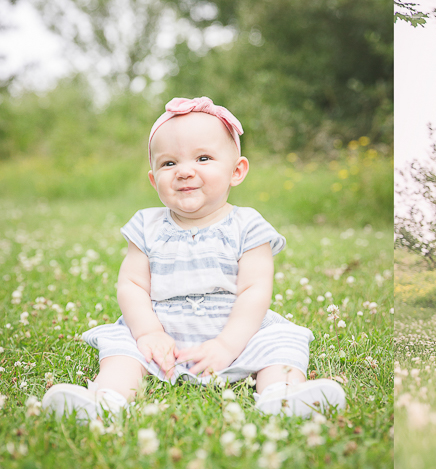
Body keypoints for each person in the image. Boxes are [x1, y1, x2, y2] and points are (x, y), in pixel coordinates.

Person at [43, 97, 346, 421]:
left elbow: (254, 291)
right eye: (169, 164)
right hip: (163, 331)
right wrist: (148, 333)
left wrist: (228, 345)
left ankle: (282, 395)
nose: (185, 172)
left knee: (282, 340)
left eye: (203, 158)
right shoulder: (146, 225)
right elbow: (131, 284)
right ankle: (107, 400)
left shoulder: (249, 225)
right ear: (153, 178)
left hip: (236, 330)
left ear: (237, 171)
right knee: (122, 347)